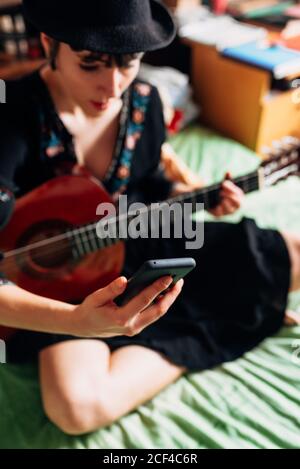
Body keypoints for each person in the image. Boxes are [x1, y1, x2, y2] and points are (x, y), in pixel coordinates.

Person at [0, 0, 299, 435]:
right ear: (49, 44)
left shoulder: (144, 104)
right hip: (55, 285)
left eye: (129, 63)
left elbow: (152, 187)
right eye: (90, 64)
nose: (113, 85)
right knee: (76, 409)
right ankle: (201, 333)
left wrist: (197, 197)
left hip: (137, 241)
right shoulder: (12, 116)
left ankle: (177, 328)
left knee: (290, 253)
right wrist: (74, 322)